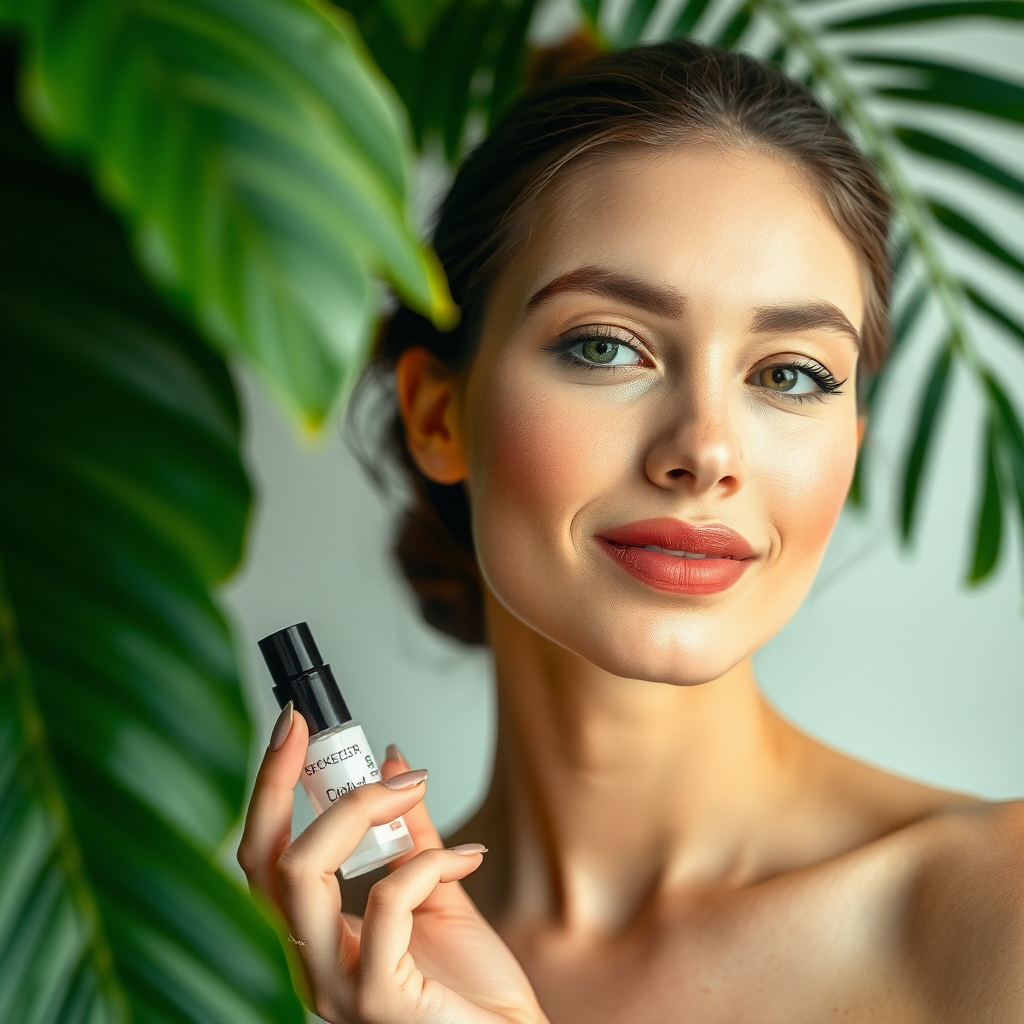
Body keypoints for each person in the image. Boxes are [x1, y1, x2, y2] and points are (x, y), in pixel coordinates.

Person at [236, 40, 1024, 1023]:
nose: (703, 450)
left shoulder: (999, 913)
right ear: (439, 415)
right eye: (607, 346)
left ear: (850, 441)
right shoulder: (302, 971)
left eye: (789, 373)